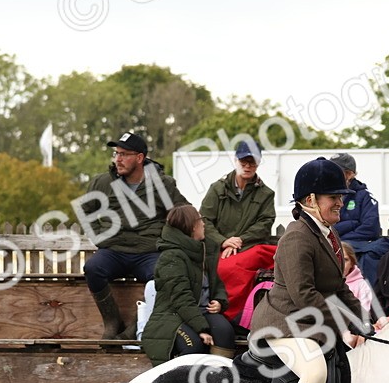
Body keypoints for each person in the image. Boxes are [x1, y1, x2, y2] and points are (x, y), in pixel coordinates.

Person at [249, 157, 369, 383]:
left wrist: (365, 322)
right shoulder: (296, 237)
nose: (340, 202)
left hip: (307, 325)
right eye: (334, 197)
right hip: (282, 326)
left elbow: (339, 288)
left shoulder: (327, 235)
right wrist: (342, 327)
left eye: (340, 196)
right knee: (315, 371)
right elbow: (304, 296)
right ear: (311, 200)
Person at [84, 132, 191, 339]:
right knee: (93, 268)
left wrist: (170, 240)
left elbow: (183, 211)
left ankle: (135, 327)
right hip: (114, 251)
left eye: (124, 154)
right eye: (116, 154)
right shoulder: (102, 183)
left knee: (164, 276)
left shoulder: (163, 184)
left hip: (149, 252)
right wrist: (98, 237)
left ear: (140, 158)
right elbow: (86, 210)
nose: (118, 159)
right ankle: (112, 321)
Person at [140, 206, 235, 365]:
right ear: (192, 226)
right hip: (174, 315)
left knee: (225, 332)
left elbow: (216, 283)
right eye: (201, 221)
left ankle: (217, 379)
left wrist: (219, 301)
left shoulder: (203, 250)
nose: (204, 224)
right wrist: (201, 329)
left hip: (203, 312)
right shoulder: (171, 257)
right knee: (194, 345)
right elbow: (180, 298)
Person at [200, 141, 278, 325]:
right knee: (222, 268)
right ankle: (228, 313)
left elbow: (265, 223)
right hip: (219, 247)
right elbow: (204, 220)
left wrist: (239, 240)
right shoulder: (217, 188)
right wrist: (223, 241)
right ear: (235, 160)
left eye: (252, 162)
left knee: (230, 267)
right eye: (244, 161)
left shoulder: (266, 193)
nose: (248, 166)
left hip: (249, 246)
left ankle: (230, 314)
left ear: (259, 163)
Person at [329, 153, 389, 283]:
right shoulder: (324, 196)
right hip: (333, 246)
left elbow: (371, 229)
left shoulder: (364, 196)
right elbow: (326, 227)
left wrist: (341, 236)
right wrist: (352, 224)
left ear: (350, 174)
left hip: (357, 248)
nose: (331, 175)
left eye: (336, 171)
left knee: (368, 256)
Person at [341, 242, 373, 314]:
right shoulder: (323, 282)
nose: (341, 263)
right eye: (337, 259)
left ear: (352, 263)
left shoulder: (362, 285)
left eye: (345, 260)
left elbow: (364, 313)